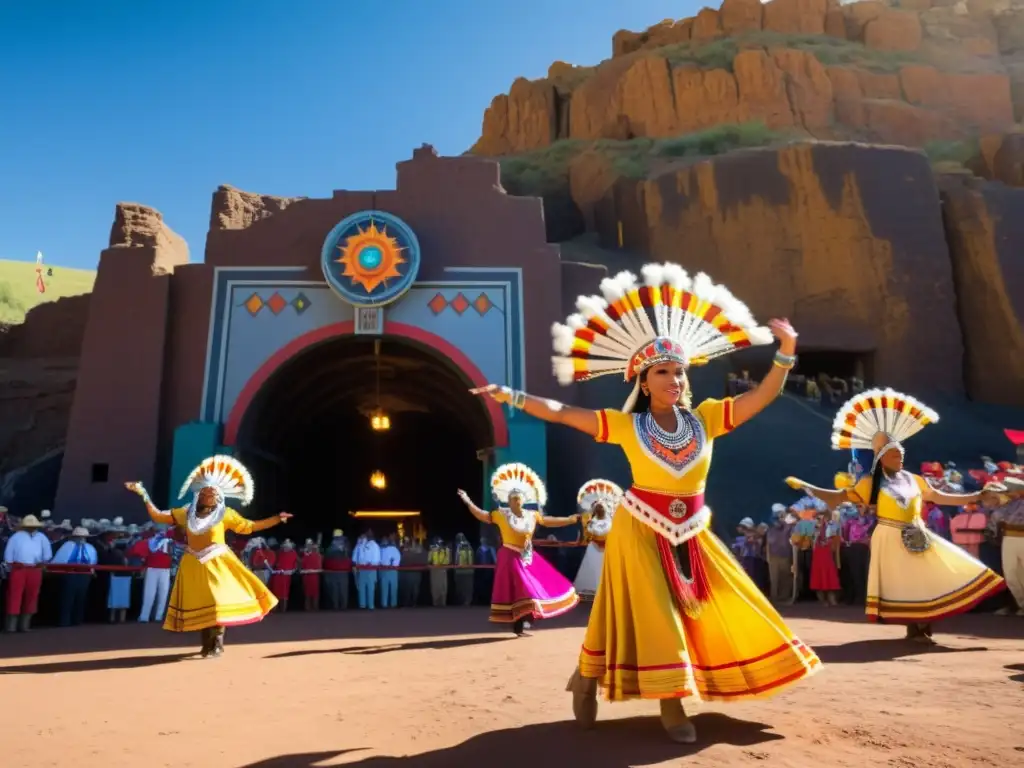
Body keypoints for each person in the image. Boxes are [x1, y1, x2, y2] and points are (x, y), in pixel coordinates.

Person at [473, 264, 820, 743]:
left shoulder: (708, 418)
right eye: (663, 372)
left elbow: (761, 397)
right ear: (643, 378)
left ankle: (585, 676)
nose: (674, 379)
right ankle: (672, 705)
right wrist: (510, 395)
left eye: (679, 371)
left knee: (719, 604)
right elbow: (561, 412)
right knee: (658, 616)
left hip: (694, 531)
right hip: (640, 530)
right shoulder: (626, 425)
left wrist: (785, 354)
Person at [786, 388, 1006, 644]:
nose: (899, 458)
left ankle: (923, 625)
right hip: (890, 536)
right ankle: (916, 627)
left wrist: (976, 496)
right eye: (893, 455)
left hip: (918, 533)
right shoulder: (870, 482)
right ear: (881, 458)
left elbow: (940, 497)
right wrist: (808, 487)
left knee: (929, 575)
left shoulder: (914, 479)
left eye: (901, 454)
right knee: (908, 582)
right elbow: (838, 498)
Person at [124, 454, 292, 657]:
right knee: (202, 603)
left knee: (217, 601)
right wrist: (143, 494)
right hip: (194, 563)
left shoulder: (226, 514)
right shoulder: (185, 514)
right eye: (206, 493)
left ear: (219, 497)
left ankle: (218, 643)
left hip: (219, 562)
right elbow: (158, 515)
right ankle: (206, 644)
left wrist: (276, 519)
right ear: (199, 495)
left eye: (213, 494)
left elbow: (250, 526)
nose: (209, 496)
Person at [457, 462, 580, 636]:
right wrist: (468, 501)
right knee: (520, 589)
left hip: (527, 556)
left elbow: (549, 520)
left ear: (524, 500)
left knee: (532, 587)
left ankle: (524, 620)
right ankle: (519, 622)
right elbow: (481, 515)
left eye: (519, 498)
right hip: (509, 556)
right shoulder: (501, 515)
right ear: (508, 501)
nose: (517, 500)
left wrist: (570, 519)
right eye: (513, 498)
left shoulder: (532, 515)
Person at [573, 479, 623, 600]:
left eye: (602, 507)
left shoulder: (610, 521)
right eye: (598, 507)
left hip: (607, 549)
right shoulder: (591, 521)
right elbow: (590, 532)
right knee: (592, 568)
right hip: (594, 549)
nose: (600, 509)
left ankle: (608, 591)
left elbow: (605, 531)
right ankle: (590, 590)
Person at [3, 513, 52, 633]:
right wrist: (10, 565)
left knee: (32, 595)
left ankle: (25, 625)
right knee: (15, 595)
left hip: (35, 569)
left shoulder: (41, 537)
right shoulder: (16, 537)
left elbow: (48, 554)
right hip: (19, 569)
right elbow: (8, 556)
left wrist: (43, 562)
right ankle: (11, 626)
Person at [988, 476, 1024, 615]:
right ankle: (1022, 604)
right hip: (1009, 538)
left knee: (1019, 573)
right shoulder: (1005, 504)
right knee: (1010, 573)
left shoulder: (1014, 504)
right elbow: (996, 518)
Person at [50, 525, 98, 627]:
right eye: (79, 537)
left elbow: (93, 561)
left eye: (83, 537)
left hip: (85, 575)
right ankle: (64, 621)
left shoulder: (90, 548)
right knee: (68, 598)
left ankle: (78, 620)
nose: (81, 539)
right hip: (70, 574)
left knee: (81, 598)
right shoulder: (67, 546)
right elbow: (59, 560)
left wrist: (92, 571)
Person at [138, 528, 173, 623]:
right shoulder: (150, 541)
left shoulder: (171, 541)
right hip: (152, 568)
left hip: (165, 569)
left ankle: (158, 616)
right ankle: (144, 616)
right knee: (150, 593)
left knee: (163, 593)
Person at [810, 509, 841, 606]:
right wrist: (817, 529)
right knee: (819, 574)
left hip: (827, 552)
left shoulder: (831, 525)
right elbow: (813, 541)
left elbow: (833, 536)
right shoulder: (814, 527)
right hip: (818, 553)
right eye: (818, 517)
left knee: (829, 573)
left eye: (822, 516)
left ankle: (831, 597)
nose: (820, 518)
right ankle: (822, 599)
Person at [322, 531, 351, 610]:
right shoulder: (330, 548)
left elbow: (349, 558)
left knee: (343, 590)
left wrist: (344, 550)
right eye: (336, 538)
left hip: (343, 572)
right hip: (333, 572)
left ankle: (344, 606)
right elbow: (326, 558)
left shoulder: (346, 547)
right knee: (334, 590)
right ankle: (335, 606)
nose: (338, 539)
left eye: (339, 538)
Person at [353, 530, 380, 610]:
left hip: (371, 569)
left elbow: (377, 558)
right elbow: (355, 558)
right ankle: (362, 605)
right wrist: (358, 544)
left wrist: (373, 564)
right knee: (362, 587)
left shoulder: (375, 545)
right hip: (361, 569)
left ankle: (370, 605)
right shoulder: (360, 545)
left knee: (370, 587)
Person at [271, 540, 298, 612]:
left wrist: (293, 570)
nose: (286, 547)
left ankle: (283, 610)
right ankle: (275, 610)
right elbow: (275, 563)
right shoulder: (279, 553)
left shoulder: (294, 553)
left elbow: (296, 564)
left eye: (287, 546)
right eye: (285, 546)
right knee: (276, 593)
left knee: (284, 594)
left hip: (286, 576)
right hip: (278, 575)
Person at [452, 533, 475, 606]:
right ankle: (467, 602)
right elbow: (473, 559)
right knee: (468, 588)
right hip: (469, 572)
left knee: (461, 588)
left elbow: (456, 560)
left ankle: (463, 603)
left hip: (460, 572)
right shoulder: (470, 547)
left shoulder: (458, 547)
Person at [379, 534, 401, 608]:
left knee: (389, 588)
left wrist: (392, 564)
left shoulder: (388, 549)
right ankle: (388, 604)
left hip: (388, 570)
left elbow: (397, 557)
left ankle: (389, 604)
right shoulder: (381, 549)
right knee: (388, 588)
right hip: (388, 570)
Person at [300, 539, 322, 612]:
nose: (308, 546)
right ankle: (307, 609)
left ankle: (315, 609)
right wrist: (304, 571)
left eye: (310, 545)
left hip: (314, 577)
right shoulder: (303, 556)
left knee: (315, 594)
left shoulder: (317, 555)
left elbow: (320, 569)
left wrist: (312, 571)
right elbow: (300, 568)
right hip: (306, 577)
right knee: (307, 594)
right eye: (307, 545)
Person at [427, 537, 450, 607]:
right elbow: (429, 560)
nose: (440, 544)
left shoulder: (446, 550)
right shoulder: (432, 550)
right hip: (435, 570)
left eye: (441, 543)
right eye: (438, 543)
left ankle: (443, 602)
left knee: (443, 586)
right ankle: (435, 603)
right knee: (435, 586)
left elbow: (448, 560)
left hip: (443, 569)